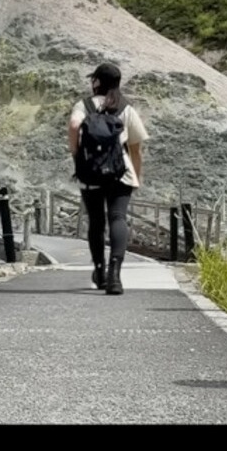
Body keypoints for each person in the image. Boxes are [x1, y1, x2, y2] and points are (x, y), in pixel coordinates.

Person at [68, 61, 148, 295]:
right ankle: (115, 274)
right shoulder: (125, 107)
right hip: (119, 172)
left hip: (90, 171)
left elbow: (74, 124)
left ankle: (99, 270)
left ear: (96, 82)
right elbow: (136, 148)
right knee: (117, 217)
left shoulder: (84, 105)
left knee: (95, 221)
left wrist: (76, 153)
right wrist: (137, 175)